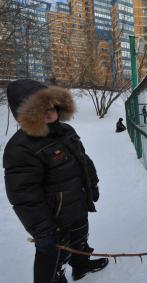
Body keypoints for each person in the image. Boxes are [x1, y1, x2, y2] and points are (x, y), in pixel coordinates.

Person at [3, 79, 109, 283]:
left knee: (79, 238)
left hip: (76, 202)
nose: (50, 112)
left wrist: (92, 183)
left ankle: (81, 266)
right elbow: (24, 196)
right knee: (52, 253)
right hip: (52, 217)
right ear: (27, 114)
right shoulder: (21, 148)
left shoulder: (66, 131)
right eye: (41, 109)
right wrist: (44, 229)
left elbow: (83, 160)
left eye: (51, 106)